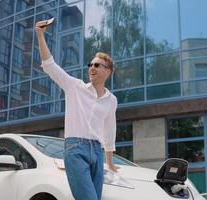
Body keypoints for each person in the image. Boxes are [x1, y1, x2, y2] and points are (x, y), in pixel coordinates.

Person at [35, 19, 119, 200]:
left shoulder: (111, 100)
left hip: (97, 152)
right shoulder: (75, 87)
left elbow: (109, 129)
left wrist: (110, 161)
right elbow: (50, 66)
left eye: (97, 65)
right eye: (90, 64)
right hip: (75, 149)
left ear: (108, 71)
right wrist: (40, 35)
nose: (92, 68)